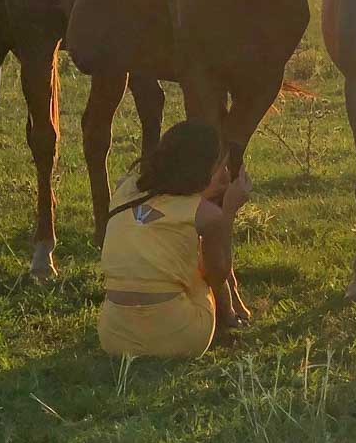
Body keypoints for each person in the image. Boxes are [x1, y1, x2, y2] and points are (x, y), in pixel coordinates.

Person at [97, 120, 250, 359]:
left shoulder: (124, 189)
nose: (226, 176)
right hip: (181, 337)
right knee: (201, 270)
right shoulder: (205, 215)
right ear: (203, 172)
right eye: (221, 169)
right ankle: (227, 319)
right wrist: (228, 212)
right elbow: (218, 275)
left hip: (113, 337)